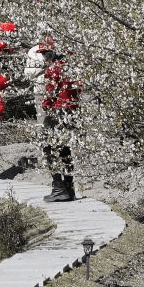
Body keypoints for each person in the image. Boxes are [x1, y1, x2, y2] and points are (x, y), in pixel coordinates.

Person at [41, 49, 82, 202]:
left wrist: (45, 104)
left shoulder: (54, 69)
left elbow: (50, 94)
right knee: (65, 149)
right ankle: (69, 186)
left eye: (45, 53)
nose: (43, 57)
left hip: (58, 111)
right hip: (71, 111)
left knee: (47, 146)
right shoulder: (72, 67)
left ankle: (58, 187)